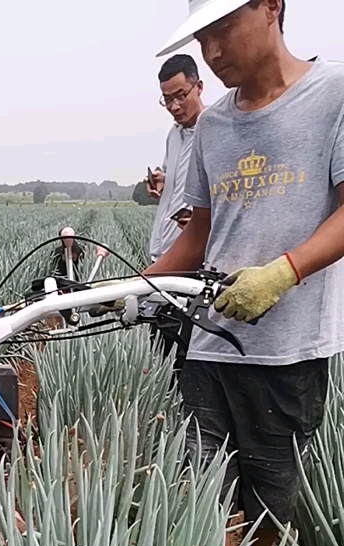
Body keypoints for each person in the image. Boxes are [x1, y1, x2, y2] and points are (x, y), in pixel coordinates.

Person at [149, 0, 344, 546]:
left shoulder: (332, 95)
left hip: (286, 349)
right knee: (199, 484)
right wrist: (135, 284)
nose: (211, 52)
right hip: (210, 340)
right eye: (202, 37)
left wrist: (284, 271)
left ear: (271, 8)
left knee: (269, 502)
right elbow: (201, 233)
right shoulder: (212, 125)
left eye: (222, 31)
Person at [146, 54, 205, 369]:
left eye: (181, 96)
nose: (174, 106)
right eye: (167, 99)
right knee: (160, 358)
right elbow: (175, 177)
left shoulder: (214, 131)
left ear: (199, 87)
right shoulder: (174, 135)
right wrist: (162, 183)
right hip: (163, 259)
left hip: (189, 266)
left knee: (183, 359)